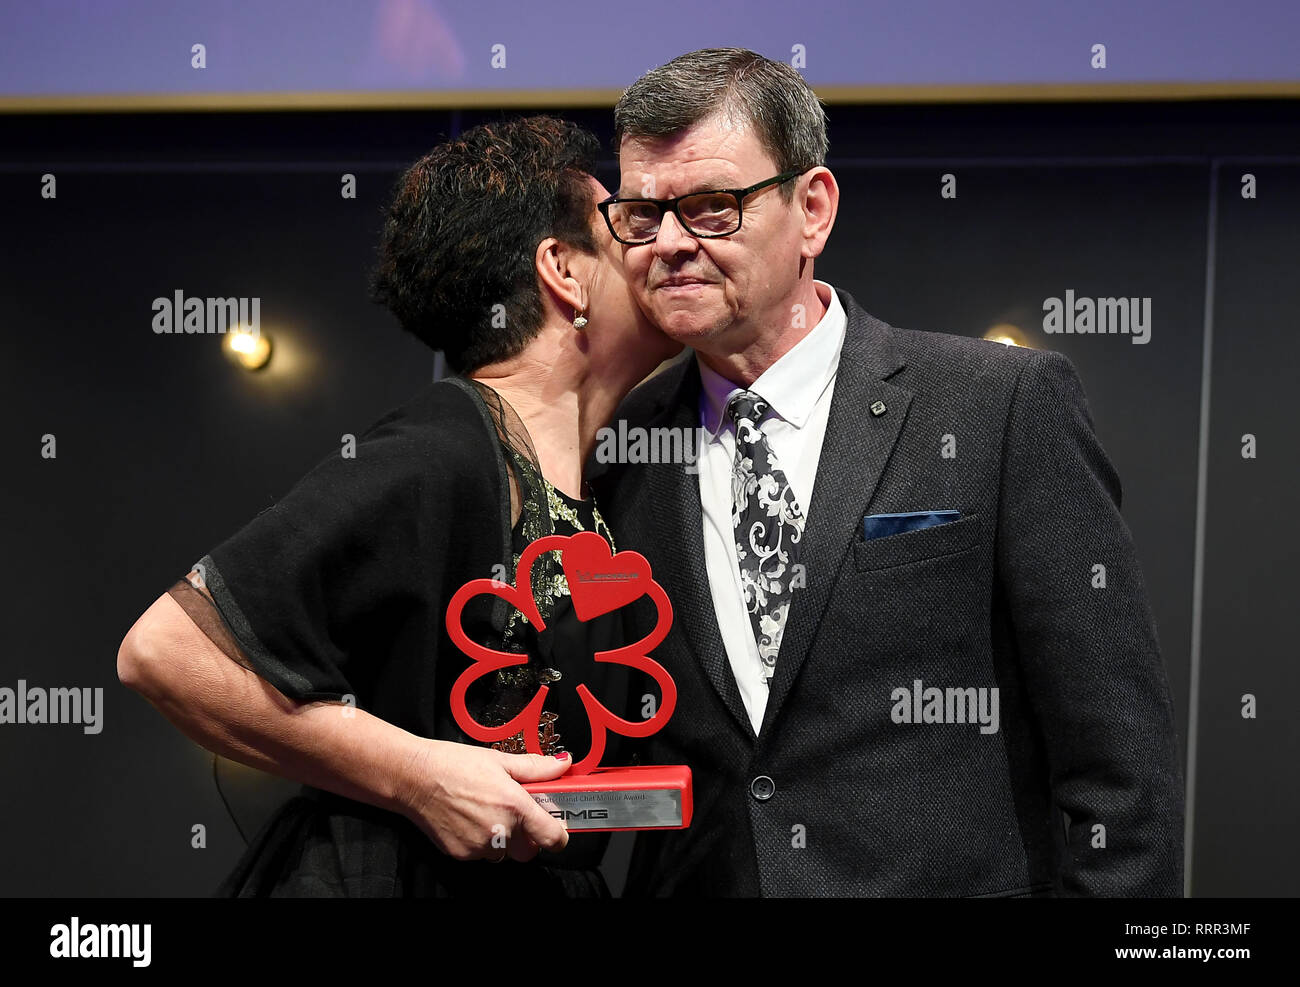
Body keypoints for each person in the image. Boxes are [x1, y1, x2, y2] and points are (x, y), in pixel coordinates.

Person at [590, 49, 1185, 896]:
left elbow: (1118, 766)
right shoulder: (618, 450)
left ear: (813, 209)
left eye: (712, 208)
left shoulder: (999, 405)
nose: (673, 244)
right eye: (643, 215)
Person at [116, 115, 681, 897]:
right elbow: (162, 651)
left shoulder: (599, 481)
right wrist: (418, 775)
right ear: (564, 271)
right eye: (622, 224)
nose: (664, 248)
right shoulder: (444, 446)